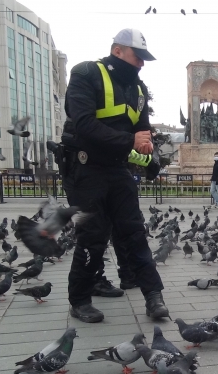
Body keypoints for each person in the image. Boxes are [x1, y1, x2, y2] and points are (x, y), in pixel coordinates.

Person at [60, 27, 169, 323]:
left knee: (133, 231)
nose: (141, 64)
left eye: (144, 59)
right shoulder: (86, 73)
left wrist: (146, 145)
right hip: (84, 168)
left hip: (117, 168)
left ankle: (153, 296)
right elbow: (82, 123)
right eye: (137, 57)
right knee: (92, 236)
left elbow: (141, 129)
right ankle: (80, 300)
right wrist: (130, 141)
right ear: (117, 51)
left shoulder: (138, 90)